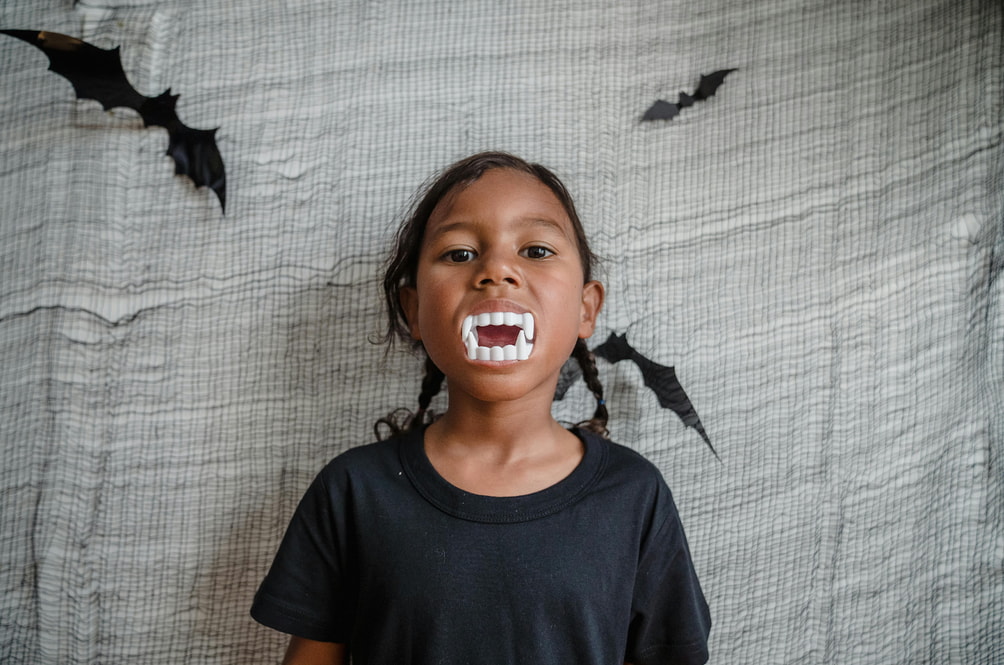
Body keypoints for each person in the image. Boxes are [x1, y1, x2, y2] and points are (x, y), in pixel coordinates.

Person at [250, 152, 711, 664]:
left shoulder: (636, 497)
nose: (496, 271)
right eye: (459, 254)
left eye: (535, 249)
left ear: (586, 309)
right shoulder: (353, 492)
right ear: (414, 311)